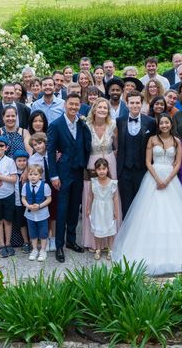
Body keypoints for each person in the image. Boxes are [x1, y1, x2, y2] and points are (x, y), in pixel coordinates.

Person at [112, 113, 182, 275]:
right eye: (161, 123)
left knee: (175, 215)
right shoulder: (152, 140)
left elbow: (179, 163)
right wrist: (157, 179)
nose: (164, 125)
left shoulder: (177, 141)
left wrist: (167, 180)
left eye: (167, 123)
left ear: (170, 124)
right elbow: (148, 162)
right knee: (150, 214)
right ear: (158, 125)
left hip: (171, 179)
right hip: (153, 177)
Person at [46, 93, 91, 262]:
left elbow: (86, 144)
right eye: (71, 104)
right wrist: (54, 175)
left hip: (78, 171)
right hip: (63, 172)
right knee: (62, 210)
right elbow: (50, 151)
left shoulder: (82, 124)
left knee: (74, 208)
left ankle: (71, 241)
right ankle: (59, 245)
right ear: (65, 105)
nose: (74, 107)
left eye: (76, 105)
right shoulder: (56, 125)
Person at [82, 98, 121, 250]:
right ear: (94, 109)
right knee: (93, 197)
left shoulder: (113, 125)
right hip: (92, 162)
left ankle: (111, 241)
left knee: (111, 197)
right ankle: (93, 241)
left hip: (110, 162)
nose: (103, 110)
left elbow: (117, 146)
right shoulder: (87, 126)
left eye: (105, 108)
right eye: (100, 107)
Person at [115, 90, 155, 217]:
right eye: (132, 103)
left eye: (138, 103)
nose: (135, 105)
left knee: (142, 205)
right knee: (126, 205)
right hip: (124, 170)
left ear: (141, 103)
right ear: (126, 104)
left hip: (142, 170)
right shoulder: (119, 121)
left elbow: (154, 145)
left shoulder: (150, 122)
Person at [87, 158, 119, 260]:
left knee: (110, 230)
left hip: (109, 208)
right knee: (98, 230)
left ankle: (110, 249)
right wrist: (88, 208)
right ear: (96, 170)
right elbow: (90, 196)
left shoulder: (112, 183)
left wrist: (116, 210)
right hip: (97, 208)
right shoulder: (93, 182)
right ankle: (98, 249)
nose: (101, 171)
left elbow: (115, 198)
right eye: (99, 169)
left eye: (104, 169)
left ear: (107, 169)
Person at [21, 163, 51, 262]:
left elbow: (49, 199)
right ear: (27, 175)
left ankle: (43, 250)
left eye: (35, 174)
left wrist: (39, 206)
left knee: (43, 232)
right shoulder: (25, 186)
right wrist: (27, 205)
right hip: (30, 214)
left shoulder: (45, 186)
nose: (33, 176)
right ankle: (34, 249)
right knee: (32, 232)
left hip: (42, 214)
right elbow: (23, 198)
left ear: (40, 176)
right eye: (30, 174)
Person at [13, 150, 32, 254]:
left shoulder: (30, 172)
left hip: (30, 202)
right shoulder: (13, 173)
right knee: (21, 223)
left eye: (24, 160)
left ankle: (33, 240)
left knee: (31, 221)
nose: (22, 163)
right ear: (15, 162)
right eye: (19, 161)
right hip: (18, 202)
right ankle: (25, 242)